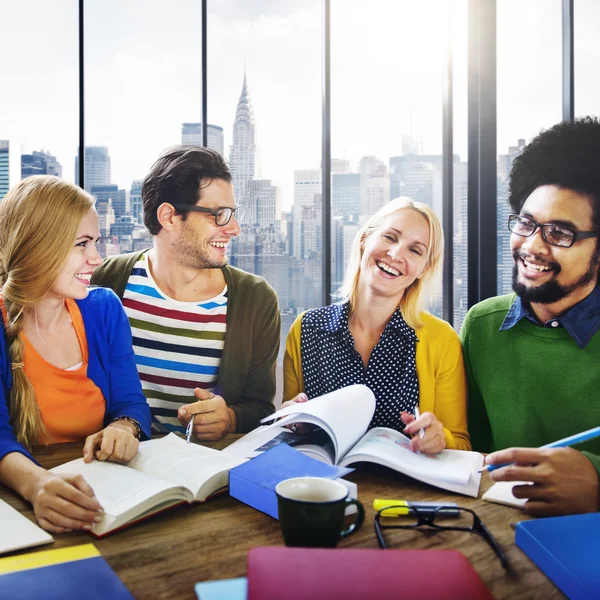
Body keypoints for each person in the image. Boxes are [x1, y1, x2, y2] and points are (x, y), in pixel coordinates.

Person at [461, 117, 600, 516]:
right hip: (501, 533)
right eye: (527, 223)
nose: (531, 246)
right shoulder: (483, 325)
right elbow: (474, 454)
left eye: (559, 233)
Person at [92, 146, 280, 441]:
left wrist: (231, 418)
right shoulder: (106, 282)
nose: (234, 228)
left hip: (205, 474)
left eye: (232, 214)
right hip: (118, 470)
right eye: (219, 215)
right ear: (169, 217)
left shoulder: (256, 300)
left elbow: (261, 408)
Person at [0, 175, 152, 533]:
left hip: (102, 497)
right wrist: (36, 484)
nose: (97, 259)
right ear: (38, 247)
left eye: (96, 243)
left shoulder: (104, 309)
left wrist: (123, 427)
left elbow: (132, 402)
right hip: (22, 510)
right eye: (82, 244)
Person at [283, 197, 471, 454]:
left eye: (414, 250)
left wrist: (440, 439)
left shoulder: (441, 340)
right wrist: (289, 421)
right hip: (322, 485)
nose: (395, 255)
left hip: (400, 489)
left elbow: (461, 444)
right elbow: (291, 427)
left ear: (424, 269)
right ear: (364, 239)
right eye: (390, 237)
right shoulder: (306, 328)